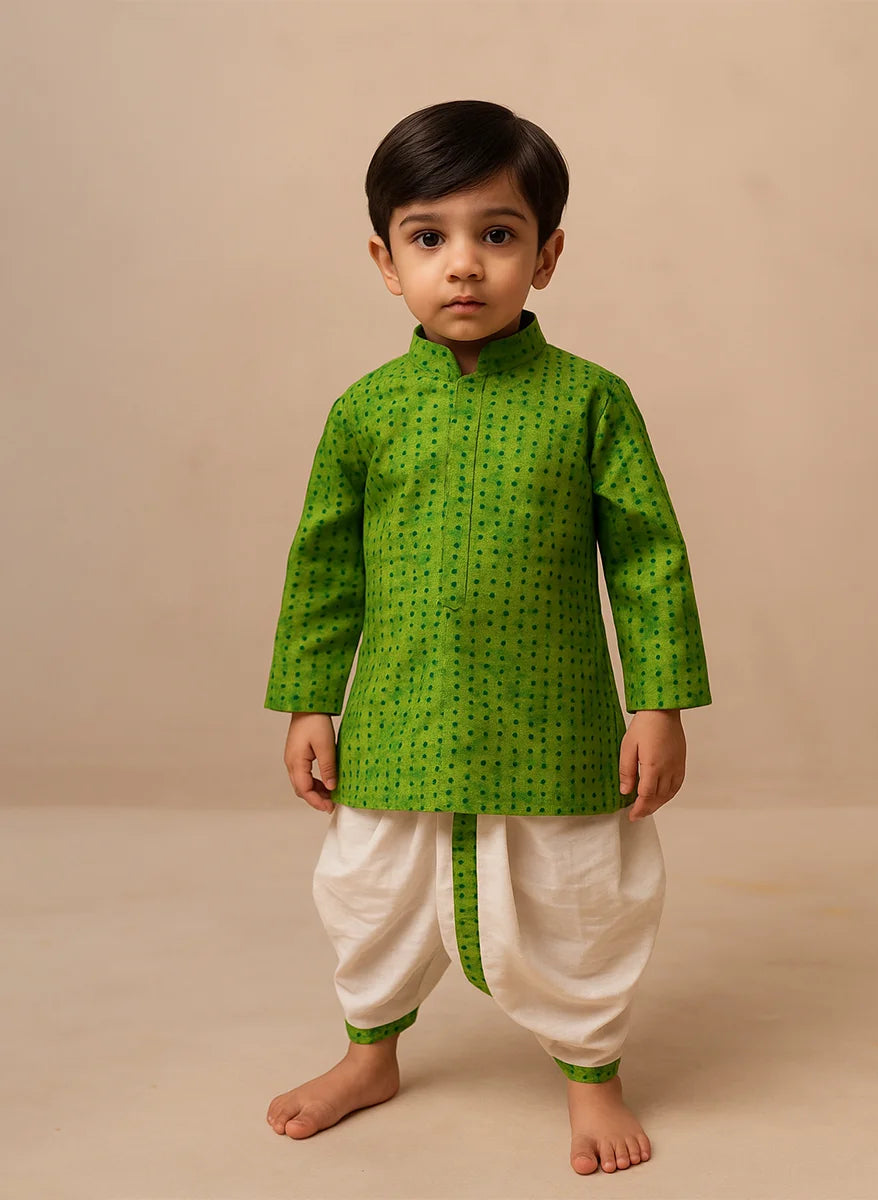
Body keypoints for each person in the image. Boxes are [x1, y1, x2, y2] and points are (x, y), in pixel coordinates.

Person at [262, 99, 713, 1176]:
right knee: (370, 894)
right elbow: (323, 566)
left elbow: (647, 557)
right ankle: (370, 1054)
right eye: (429, 238)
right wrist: (308, 700)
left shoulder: (591, 403)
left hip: (552, 715)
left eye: (496, 235)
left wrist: (657, 702)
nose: (462, 266)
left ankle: (592, 1076)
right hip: (400, 715)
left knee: (577, 897)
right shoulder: (365, 413)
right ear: (385, 261)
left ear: (546, 255)